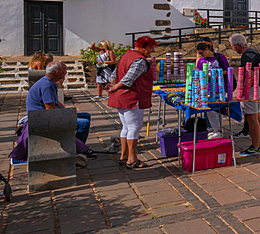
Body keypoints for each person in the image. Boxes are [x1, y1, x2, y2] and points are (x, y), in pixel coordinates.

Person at [18, 61, 96, 160]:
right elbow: (50, 109)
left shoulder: (49, 82)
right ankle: (76, 151)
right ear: (57, 72)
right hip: (41, 119)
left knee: (86, 115)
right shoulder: (47, 85)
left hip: (44, 115)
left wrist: (69, 113)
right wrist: (68, 116)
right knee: (83, 123)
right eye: (65, 71)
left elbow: (57, 103)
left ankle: (78, 146)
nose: (66, 72)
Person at [107, 36, 157, 168]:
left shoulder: (126, 55)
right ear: (142, 47)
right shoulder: (139, 60)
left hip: (121, 97)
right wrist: (115, 87)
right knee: (134, 127)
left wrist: (113, 85)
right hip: (131, 97)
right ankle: (132, 158)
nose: (151, 51)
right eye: (150, 48)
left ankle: (124, 156)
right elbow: (128, 79)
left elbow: (114, 74)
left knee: (126, 127)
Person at [229, 33, 260, 156]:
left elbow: (250, 74)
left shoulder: (247, 55)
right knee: (257, 117)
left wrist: (243, 93)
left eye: (232, 46)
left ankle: (255, 147)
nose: (232, 48)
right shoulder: (253, 52)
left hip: (250, 90)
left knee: (252, 118)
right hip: (257, 88)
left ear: (237, 45)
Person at [195, 42, 225, 139]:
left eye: (201, 53)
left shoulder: (219, 57)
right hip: (206, 89)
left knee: (218, 109)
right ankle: (216, 129)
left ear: (207, 49)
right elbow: (198, 73)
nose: (200, 55)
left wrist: (216, 74)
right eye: (199, 53)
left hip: (218, 87)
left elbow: (227, 69)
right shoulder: (201, 61)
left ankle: (218, 130)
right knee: (210, 110)